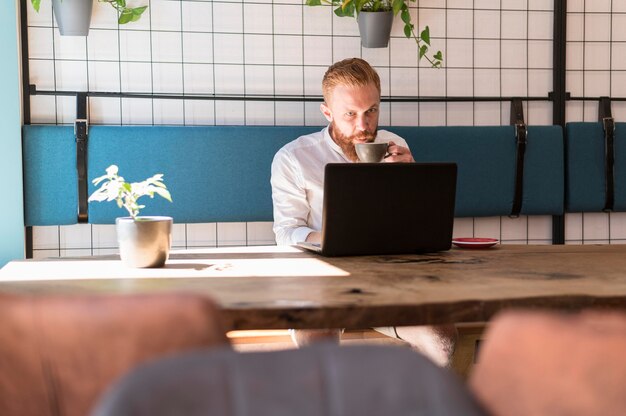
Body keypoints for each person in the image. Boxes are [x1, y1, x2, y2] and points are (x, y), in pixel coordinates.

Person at [270, 57, 457, 367]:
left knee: (442, 339)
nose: (363, 126)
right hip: (321, 285)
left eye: (371, 111)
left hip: (388, 283)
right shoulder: (293, 158)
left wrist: (413, 179)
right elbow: (285, 233)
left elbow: (415, 225)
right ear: (327, 112)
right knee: (319, 346)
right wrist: (336, 238)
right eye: (350, 114)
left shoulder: (394, 144)